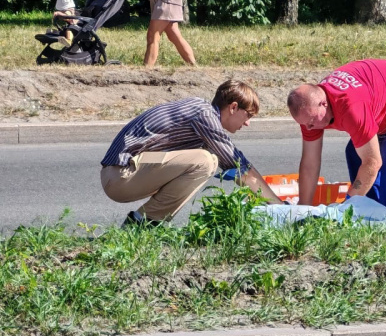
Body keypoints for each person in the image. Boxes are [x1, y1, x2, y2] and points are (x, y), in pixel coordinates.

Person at [101, 79, 282, 226]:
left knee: (204, 157)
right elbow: (239, 165)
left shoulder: (201, 112)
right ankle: (143, 223)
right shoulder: (204, 116)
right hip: (121, 175)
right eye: (248, 115)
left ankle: (143, 222)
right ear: (233, 107)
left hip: (124, 172)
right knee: (206, 161)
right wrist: (279, 206)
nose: (248, 123)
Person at [287, 59, 386, 212]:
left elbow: (372, 162)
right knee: (354, 154)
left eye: (312, 121)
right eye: (304, 123)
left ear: (324, 104)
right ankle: (370, 214)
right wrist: (303, 208)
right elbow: (309, 163)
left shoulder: (351, 107)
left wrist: (346, 206)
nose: (309, 127)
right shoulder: (310, 114)